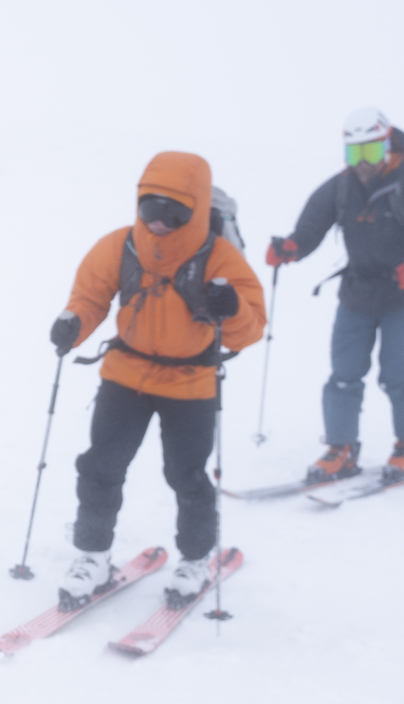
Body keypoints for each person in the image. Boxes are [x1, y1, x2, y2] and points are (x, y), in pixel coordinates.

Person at [48, 152, 265, 610]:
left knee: (186, 476)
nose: (160, 222)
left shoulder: (220, 257)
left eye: (175, 212)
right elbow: (90, 297)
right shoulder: (121, 246)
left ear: (199, 209)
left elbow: (251, 328)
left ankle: (195, 559)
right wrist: (73, 323)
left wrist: (232, 308)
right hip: (125, 376)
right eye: (150, 208)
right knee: (100, 467)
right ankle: (93, 556)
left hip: (191, 383)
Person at [267, 107, 404, 483]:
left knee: (396, 374)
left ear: (387, 147)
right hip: (357, 295)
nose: (362, 163)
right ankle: (340, 449)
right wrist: (292, 247)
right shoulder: (342, 187)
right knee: (343, 375)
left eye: (370, 153)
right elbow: (312, 226)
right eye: (353, 154)